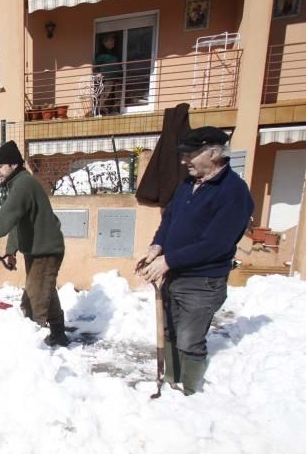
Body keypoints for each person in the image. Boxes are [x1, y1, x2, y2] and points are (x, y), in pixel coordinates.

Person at [135, 126, 253, 394]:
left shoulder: (233, 192)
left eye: (190, 154)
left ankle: (191, 393)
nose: (183, 161)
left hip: (203, 281)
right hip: (176, 273)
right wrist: (157, 245)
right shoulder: (188, 184)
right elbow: (170, 219)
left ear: (213, 152)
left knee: (189, 340)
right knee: (169, 333)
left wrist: (168, 261)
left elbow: (216, 244)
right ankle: (170, 383)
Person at [0, 140, 69, 346]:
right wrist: (11, 251)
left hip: (45, 251)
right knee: (44, 291)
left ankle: (32, 350)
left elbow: (7, 215)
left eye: (0, 166)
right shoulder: (20, 184)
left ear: (12, 164)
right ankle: (59, 333)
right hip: (39, 250)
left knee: (33, 301)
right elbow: (18, 222)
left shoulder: (23, 184)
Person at [92, 34, 123, 115]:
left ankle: (115, 111)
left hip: (117, 78)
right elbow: (95, 66)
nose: (113, 42)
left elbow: (119, 64)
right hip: (108, 78)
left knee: (117, 96)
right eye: (111, 40)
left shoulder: (115, 53)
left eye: (114, 40)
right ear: (105, 42)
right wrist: (98, 73)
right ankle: (103, 112)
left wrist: (120, 74)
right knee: (106, 96)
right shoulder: (101, 55)